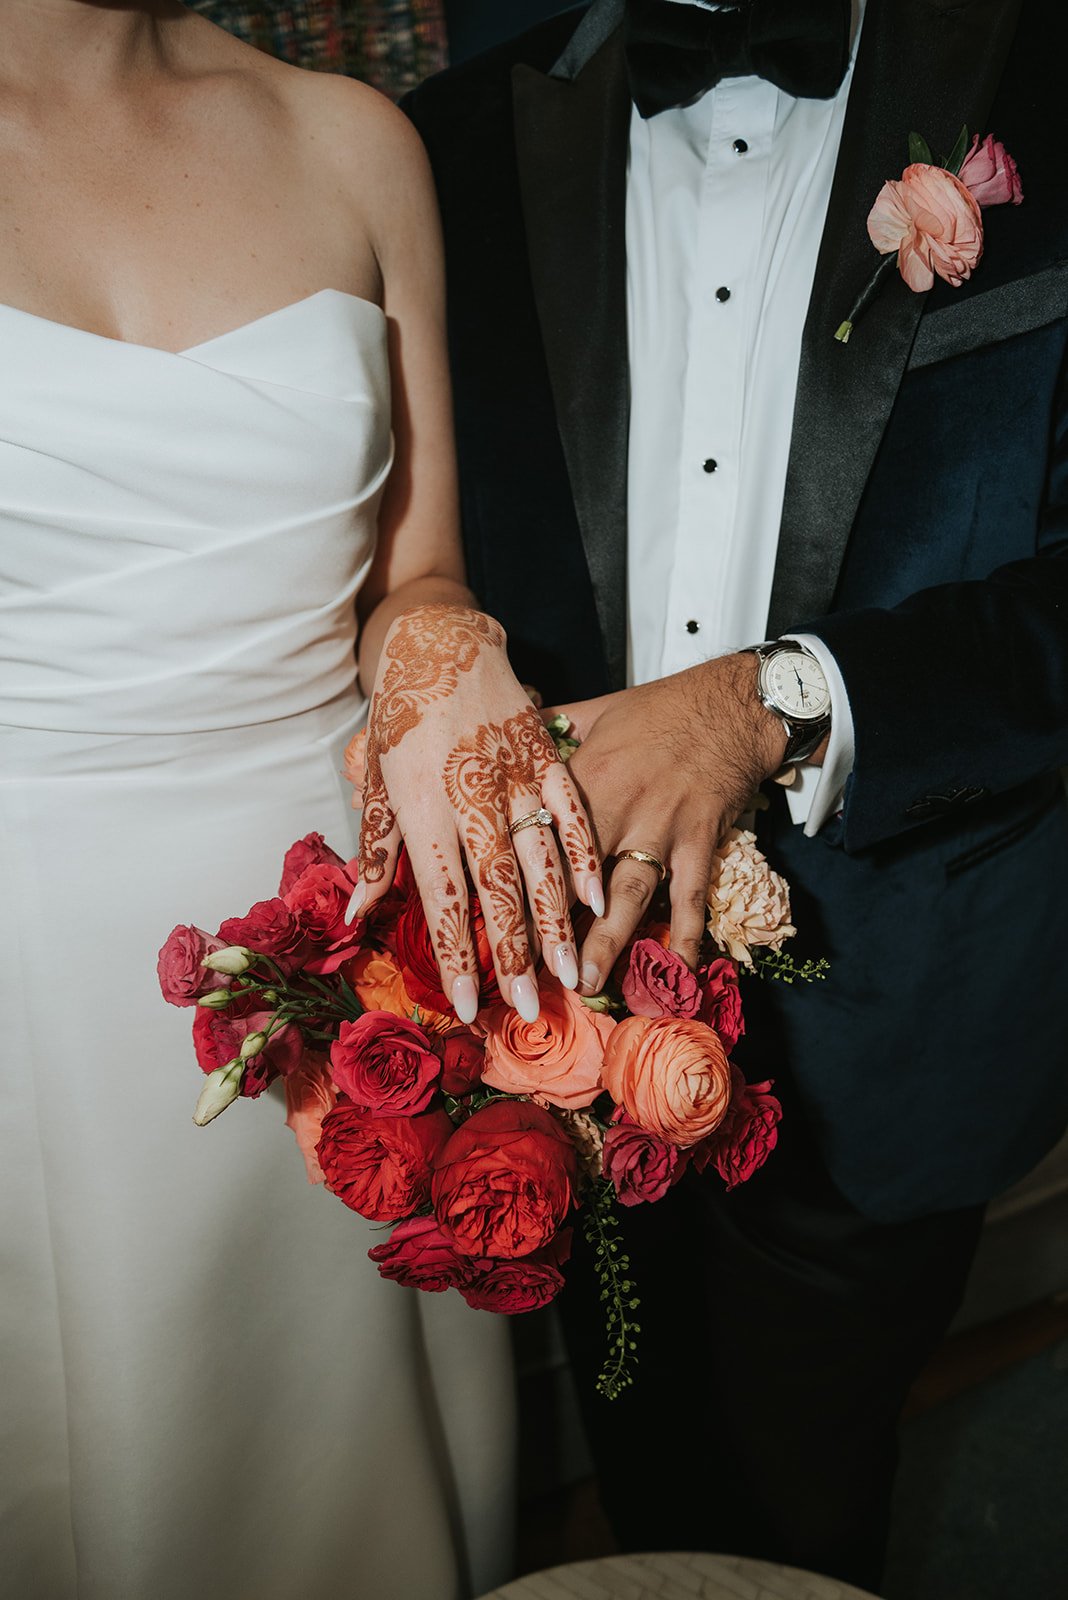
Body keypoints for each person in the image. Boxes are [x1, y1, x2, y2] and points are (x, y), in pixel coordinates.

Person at [404, 0, 1068, 1587]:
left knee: (808, 1510)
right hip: (551, 1000)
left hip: (900, 1004)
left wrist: (772, 699)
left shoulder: (1043, 79)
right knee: (646, 1480)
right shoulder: (443, 141)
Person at [0, 3, 599, 1595]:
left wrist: (448, 656)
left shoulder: (352, 140)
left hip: (338, 953)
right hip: (29, 953)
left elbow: (417, 572)